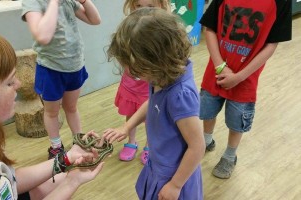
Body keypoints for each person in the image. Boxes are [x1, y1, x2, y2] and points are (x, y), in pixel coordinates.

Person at [0, 26, 103, 200]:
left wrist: (67, 158)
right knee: (64, 182)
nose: (19, 84)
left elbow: (11, 178)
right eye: (9, 82)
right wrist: (72, 182)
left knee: (60, 178)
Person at [104, 8, 205, 200]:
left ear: (157, 61)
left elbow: (197, 146)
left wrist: (175, 185)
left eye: (136, 69)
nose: (132, 73)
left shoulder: (180, 96)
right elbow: (152, 103)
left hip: (174, 175)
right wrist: (127, 126)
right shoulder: (161, 76)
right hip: (158, 163)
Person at [199, 0, 292, 179]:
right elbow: (209, 28)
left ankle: (230, 156)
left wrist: (239, 77)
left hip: (245, 79)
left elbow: (271, 45)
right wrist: (220, 67)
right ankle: (206, 140)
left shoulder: (281, 2)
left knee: (237, 120)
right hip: (215, 73)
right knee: (207, 110)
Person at [21, 0, 101, 159]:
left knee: (71, 107)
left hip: (74, 65)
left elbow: (95, 20)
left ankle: (79, 141)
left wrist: (84, 1)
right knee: (52, 112)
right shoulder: (32, 3)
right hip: (51, 68)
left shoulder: (69, 2)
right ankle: (56, 147)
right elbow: (43, 36)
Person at [115, 0, 170, 164]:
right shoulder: (129, 25)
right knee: (130, 111)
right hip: (131, 81)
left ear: (161, 6)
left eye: (151, 6)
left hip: (152, 83)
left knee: (151, 116)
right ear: (132, 5)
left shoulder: (164, 30)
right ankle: (131, 142)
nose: (144, 10)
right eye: (139, 6)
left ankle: (149, 146)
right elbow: (120, 50)